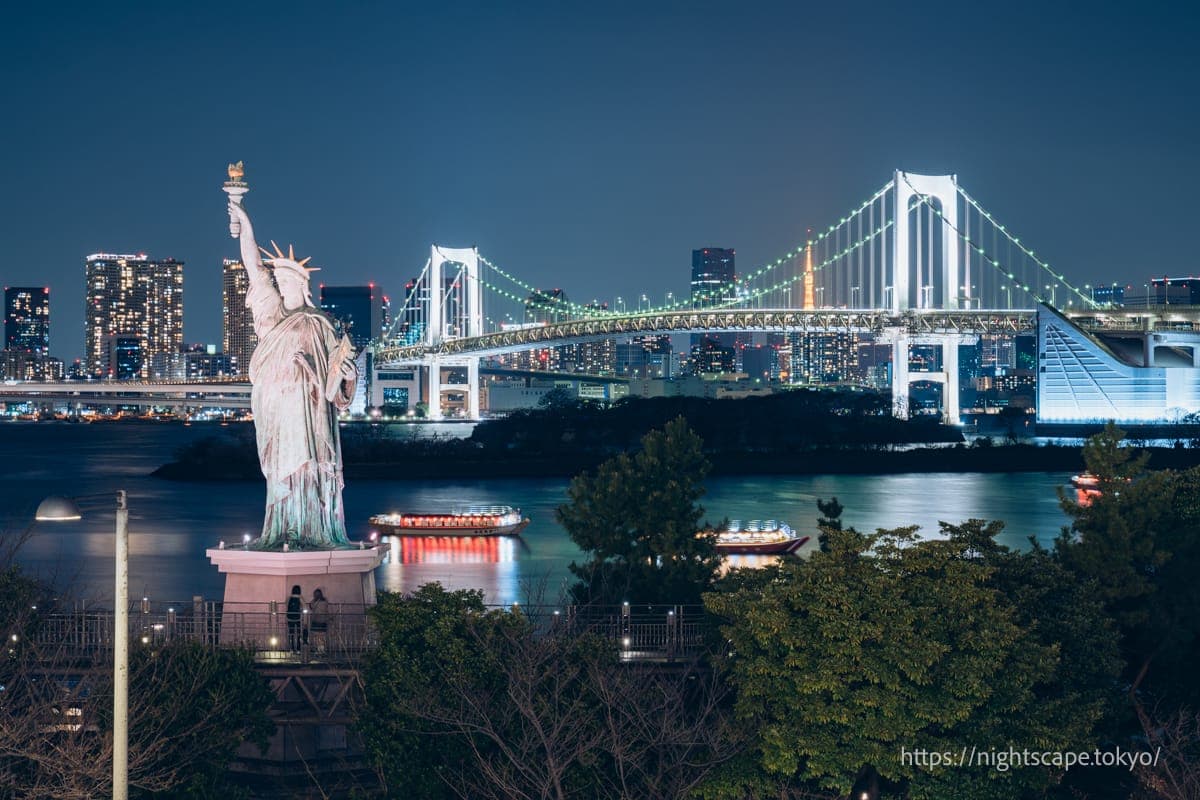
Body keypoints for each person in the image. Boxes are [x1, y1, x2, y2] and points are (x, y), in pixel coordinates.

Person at [228, 199, 358, 549]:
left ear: (302, 285)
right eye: (279, 282)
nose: (281, 287)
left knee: (308, 465)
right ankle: (284, 527)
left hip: (309, 407)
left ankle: (312, 527)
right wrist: (244, 222)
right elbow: (254, 267)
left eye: (287, 282)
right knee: (279, 468)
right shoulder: (271, 314)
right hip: (277, 405)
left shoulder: (321, 323)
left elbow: (337, 384)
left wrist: (348, 377)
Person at [308, 588, 330, 653]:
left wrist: (315, 600)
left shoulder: (315, 602)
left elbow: (311, 607)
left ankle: (318, 649)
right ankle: (321, 649)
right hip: (322, 621)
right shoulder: (325, 601)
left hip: (317, 620)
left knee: (317, 636)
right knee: (322, 636)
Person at [286, 585, 304, 652]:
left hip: (290, 618)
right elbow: (303, 606)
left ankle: (291, 648)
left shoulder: (289, 598)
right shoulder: (300, 598)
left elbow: (286, 605)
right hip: (298, 618)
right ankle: (298, 648)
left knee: (291, 633)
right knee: (299, 634)